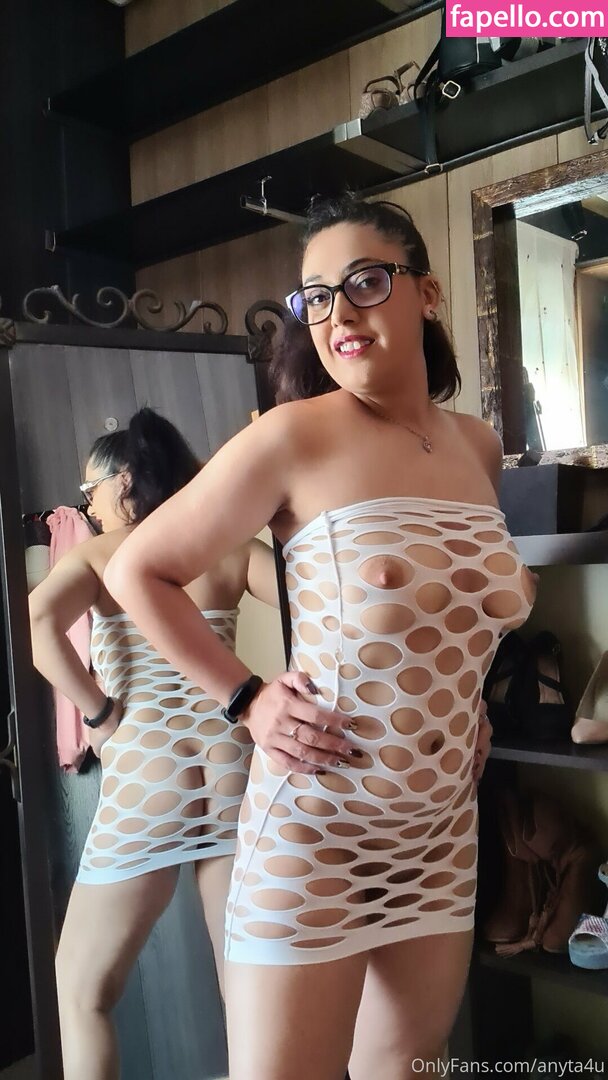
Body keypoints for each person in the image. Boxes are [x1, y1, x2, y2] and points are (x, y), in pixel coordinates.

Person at [104, 196, 533, 1080]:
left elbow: (454, 612)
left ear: (428, 294)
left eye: (366, 283)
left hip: (440, 834)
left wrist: (471, 707)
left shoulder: (478, 447)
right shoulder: (292, 437)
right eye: (318, 297)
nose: (340, 313)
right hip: (317, 831)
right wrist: (247, 699)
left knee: (407, 1068)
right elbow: (137, 572)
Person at [29, 407, 278, 1080]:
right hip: (234, 769)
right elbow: (310, 594)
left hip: (150, 774)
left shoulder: (104, 553)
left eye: (91, 489)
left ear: (125, 481)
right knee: (249, 996)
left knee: (81, 993)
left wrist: (98, 712)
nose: (88, 505)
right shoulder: (225, 547)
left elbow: (39, 621)